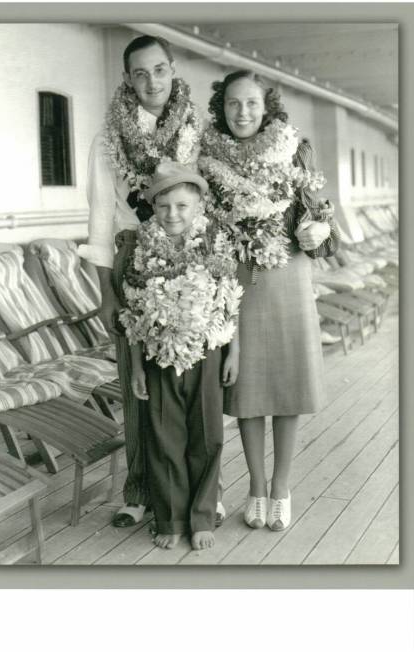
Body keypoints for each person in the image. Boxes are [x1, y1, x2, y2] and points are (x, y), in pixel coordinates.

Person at [78, 35, 226, 528]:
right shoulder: (108, 138)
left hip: (192, 255)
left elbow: (212, 200)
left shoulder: (197, 128)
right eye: (140, 73)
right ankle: (141, 489)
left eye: (159, 70)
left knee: (196, 381)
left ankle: (206, 493)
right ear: (128, 78)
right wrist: (105, 294)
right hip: (131, 255)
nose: (151, 81)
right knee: (140, 382)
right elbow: (100, 219)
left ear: (173, 70)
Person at [199, 70, 339, 532]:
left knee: (286, 388)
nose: (242, 113)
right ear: (222, 107)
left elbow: (322, 225)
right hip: (238, 283)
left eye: (252, 104)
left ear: (267, 107)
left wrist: (319, 232)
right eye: (234, 104)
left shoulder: (294, 151)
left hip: (289, 277)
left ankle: (281, 487)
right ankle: (255, 487)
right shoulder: (208, 160)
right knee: (250, 390)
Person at [118, 162, 242, 549]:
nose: (172, 215)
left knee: (206, 436)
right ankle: (170, 518)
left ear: (199, 206)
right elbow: (135, 314)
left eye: (182, 206)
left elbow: (230, 306)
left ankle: (202, 516)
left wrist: (232, 353)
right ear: (152, 207)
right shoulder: (139, 250)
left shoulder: (216, 247)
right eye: (163, 206)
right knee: (162, 434)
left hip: (207, 352)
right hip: (157, 356)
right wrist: (137, 366)